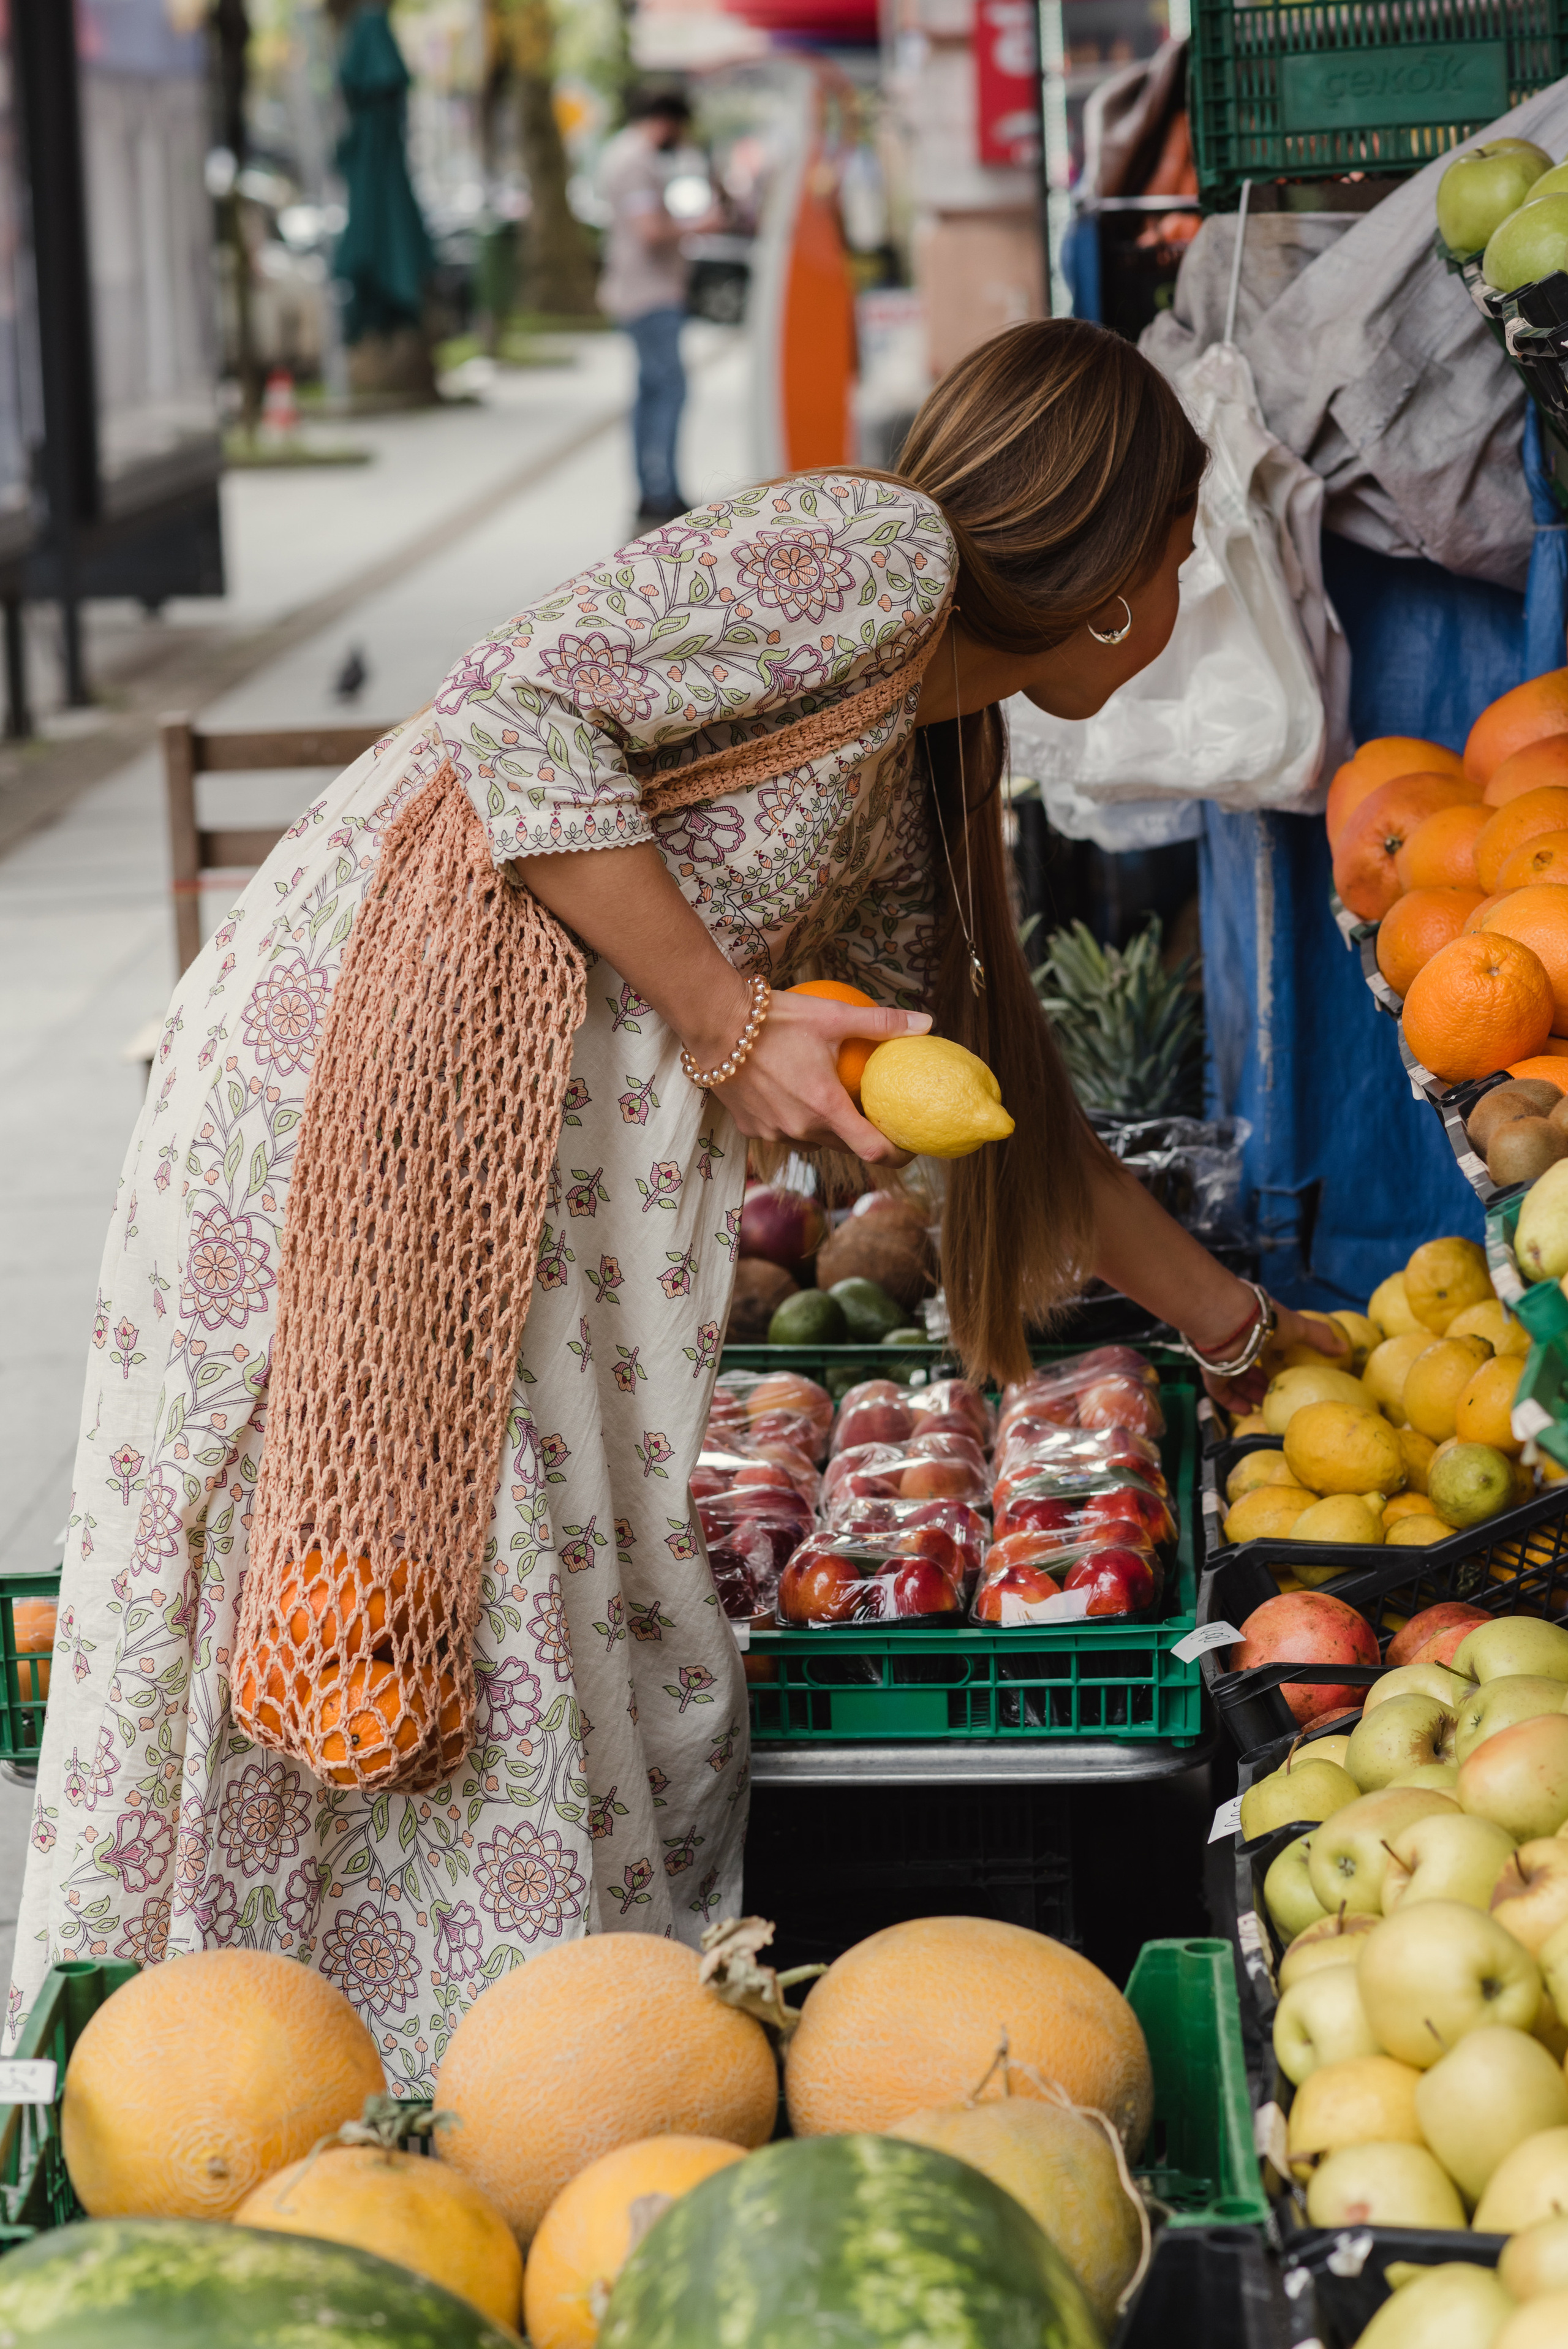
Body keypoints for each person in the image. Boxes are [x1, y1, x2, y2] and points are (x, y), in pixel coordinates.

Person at [9, 318, 1341, 2079]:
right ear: (1106, 579)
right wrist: (729, 1018)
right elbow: (508, 710)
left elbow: (1003, 1129)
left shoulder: (922, 737)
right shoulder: (882, 557)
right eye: (1178, 556)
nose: (1181, 597)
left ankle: (475, 2080)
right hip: (389, 1108)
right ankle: (272, 2081)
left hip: (517, 1174)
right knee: (392, 1594)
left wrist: (1240, 1336)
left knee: (514, 1627)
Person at [598, 86, 706, 528]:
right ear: (666, 120)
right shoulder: (636, 162)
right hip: (650, 295)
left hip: (639, 292)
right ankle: (660, 491)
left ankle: (654, 488)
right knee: (669, 391)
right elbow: (650, 231)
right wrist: (703, 223)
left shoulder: (620, 154)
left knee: (651, 392)